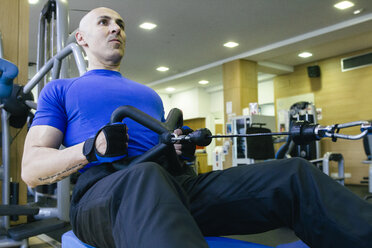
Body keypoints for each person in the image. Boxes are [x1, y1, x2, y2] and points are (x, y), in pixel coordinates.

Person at [21, 7, 372, 248]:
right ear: (81, 40)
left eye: (121, 24)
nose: (116, 28)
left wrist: (176, 151)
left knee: (292, 173)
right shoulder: (60, 89)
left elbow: (168, 161)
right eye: (104, 22)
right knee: (146, 178)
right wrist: (89, 148)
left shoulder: (148, 94)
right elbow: (32, 171)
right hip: (103, 195)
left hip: (174, 187)